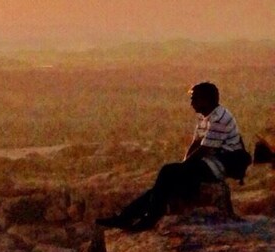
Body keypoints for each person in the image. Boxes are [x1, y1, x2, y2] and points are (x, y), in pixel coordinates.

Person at [97, 82, 254, 231]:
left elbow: (204, 150)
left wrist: (183, 168)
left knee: (167, 172)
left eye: (195, 98)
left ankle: (149, 218)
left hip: (217, 166)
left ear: (206, 100)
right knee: (162, 185)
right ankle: (126, 217)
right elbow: (196, 143)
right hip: (206, 163)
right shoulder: (205, 116)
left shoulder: (219, 119)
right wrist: (184, 165)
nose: (191, 102)